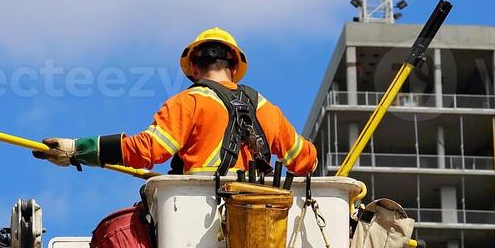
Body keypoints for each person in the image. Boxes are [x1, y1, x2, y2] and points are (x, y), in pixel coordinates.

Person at [34, 28, 318, 177]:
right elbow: (304, 161)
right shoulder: (267, 110)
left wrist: (78, 150)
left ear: (193, 68)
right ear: (234, 68)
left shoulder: (188, 102)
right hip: (259, 225)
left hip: (201, 218)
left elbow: (148, 150)